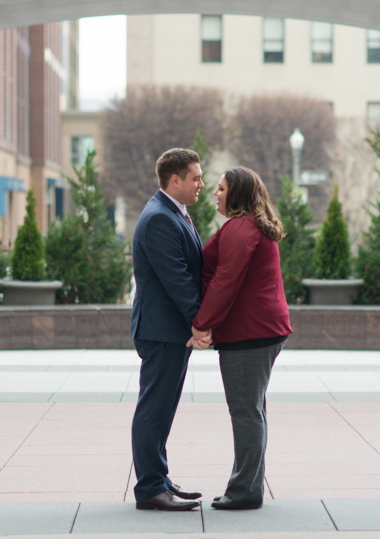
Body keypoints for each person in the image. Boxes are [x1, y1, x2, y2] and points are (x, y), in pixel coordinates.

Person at [188, 167, 293, 510]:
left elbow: (225, 280)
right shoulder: (250, 226)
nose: (214, 193)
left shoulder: (240, 228)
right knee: (253, 411)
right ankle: (246, 485)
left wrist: (202, 324)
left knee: (246, 413)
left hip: (251, 332)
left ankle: (246, 491)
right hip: (261, 330)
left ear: (237, 194)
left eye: (220, 188)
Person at [130, 148, 206, 511]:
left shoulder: (173, 213)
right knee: (154, 409)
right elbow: (177, 280)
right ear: (174, 180)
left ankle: (158, 480)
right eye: (196, 177)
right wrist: (201, 322)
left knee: (163, 408)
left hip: (169, 330)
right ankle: (149, 487)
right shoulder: (160, 218)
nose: (201, 184)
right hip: (162, 330)